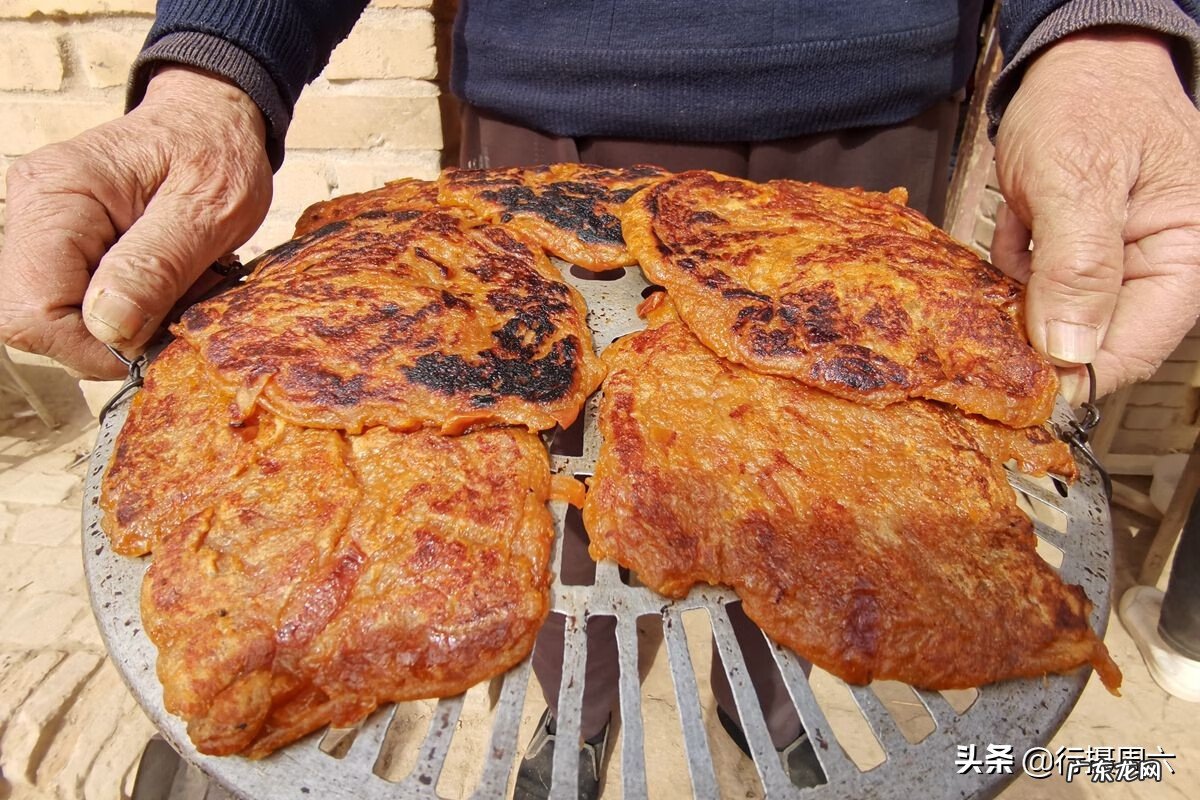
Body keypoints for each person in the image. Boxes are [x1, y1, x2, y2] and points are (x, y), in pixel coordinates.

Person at [1, 1, 1198, 798]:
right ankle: (575, 723)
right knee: (547, 483)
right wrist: (216, 64)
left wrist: (1106, 30)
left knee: (802, 498)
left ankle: (770, 709)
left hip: (863, 120)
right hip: (543, 107)